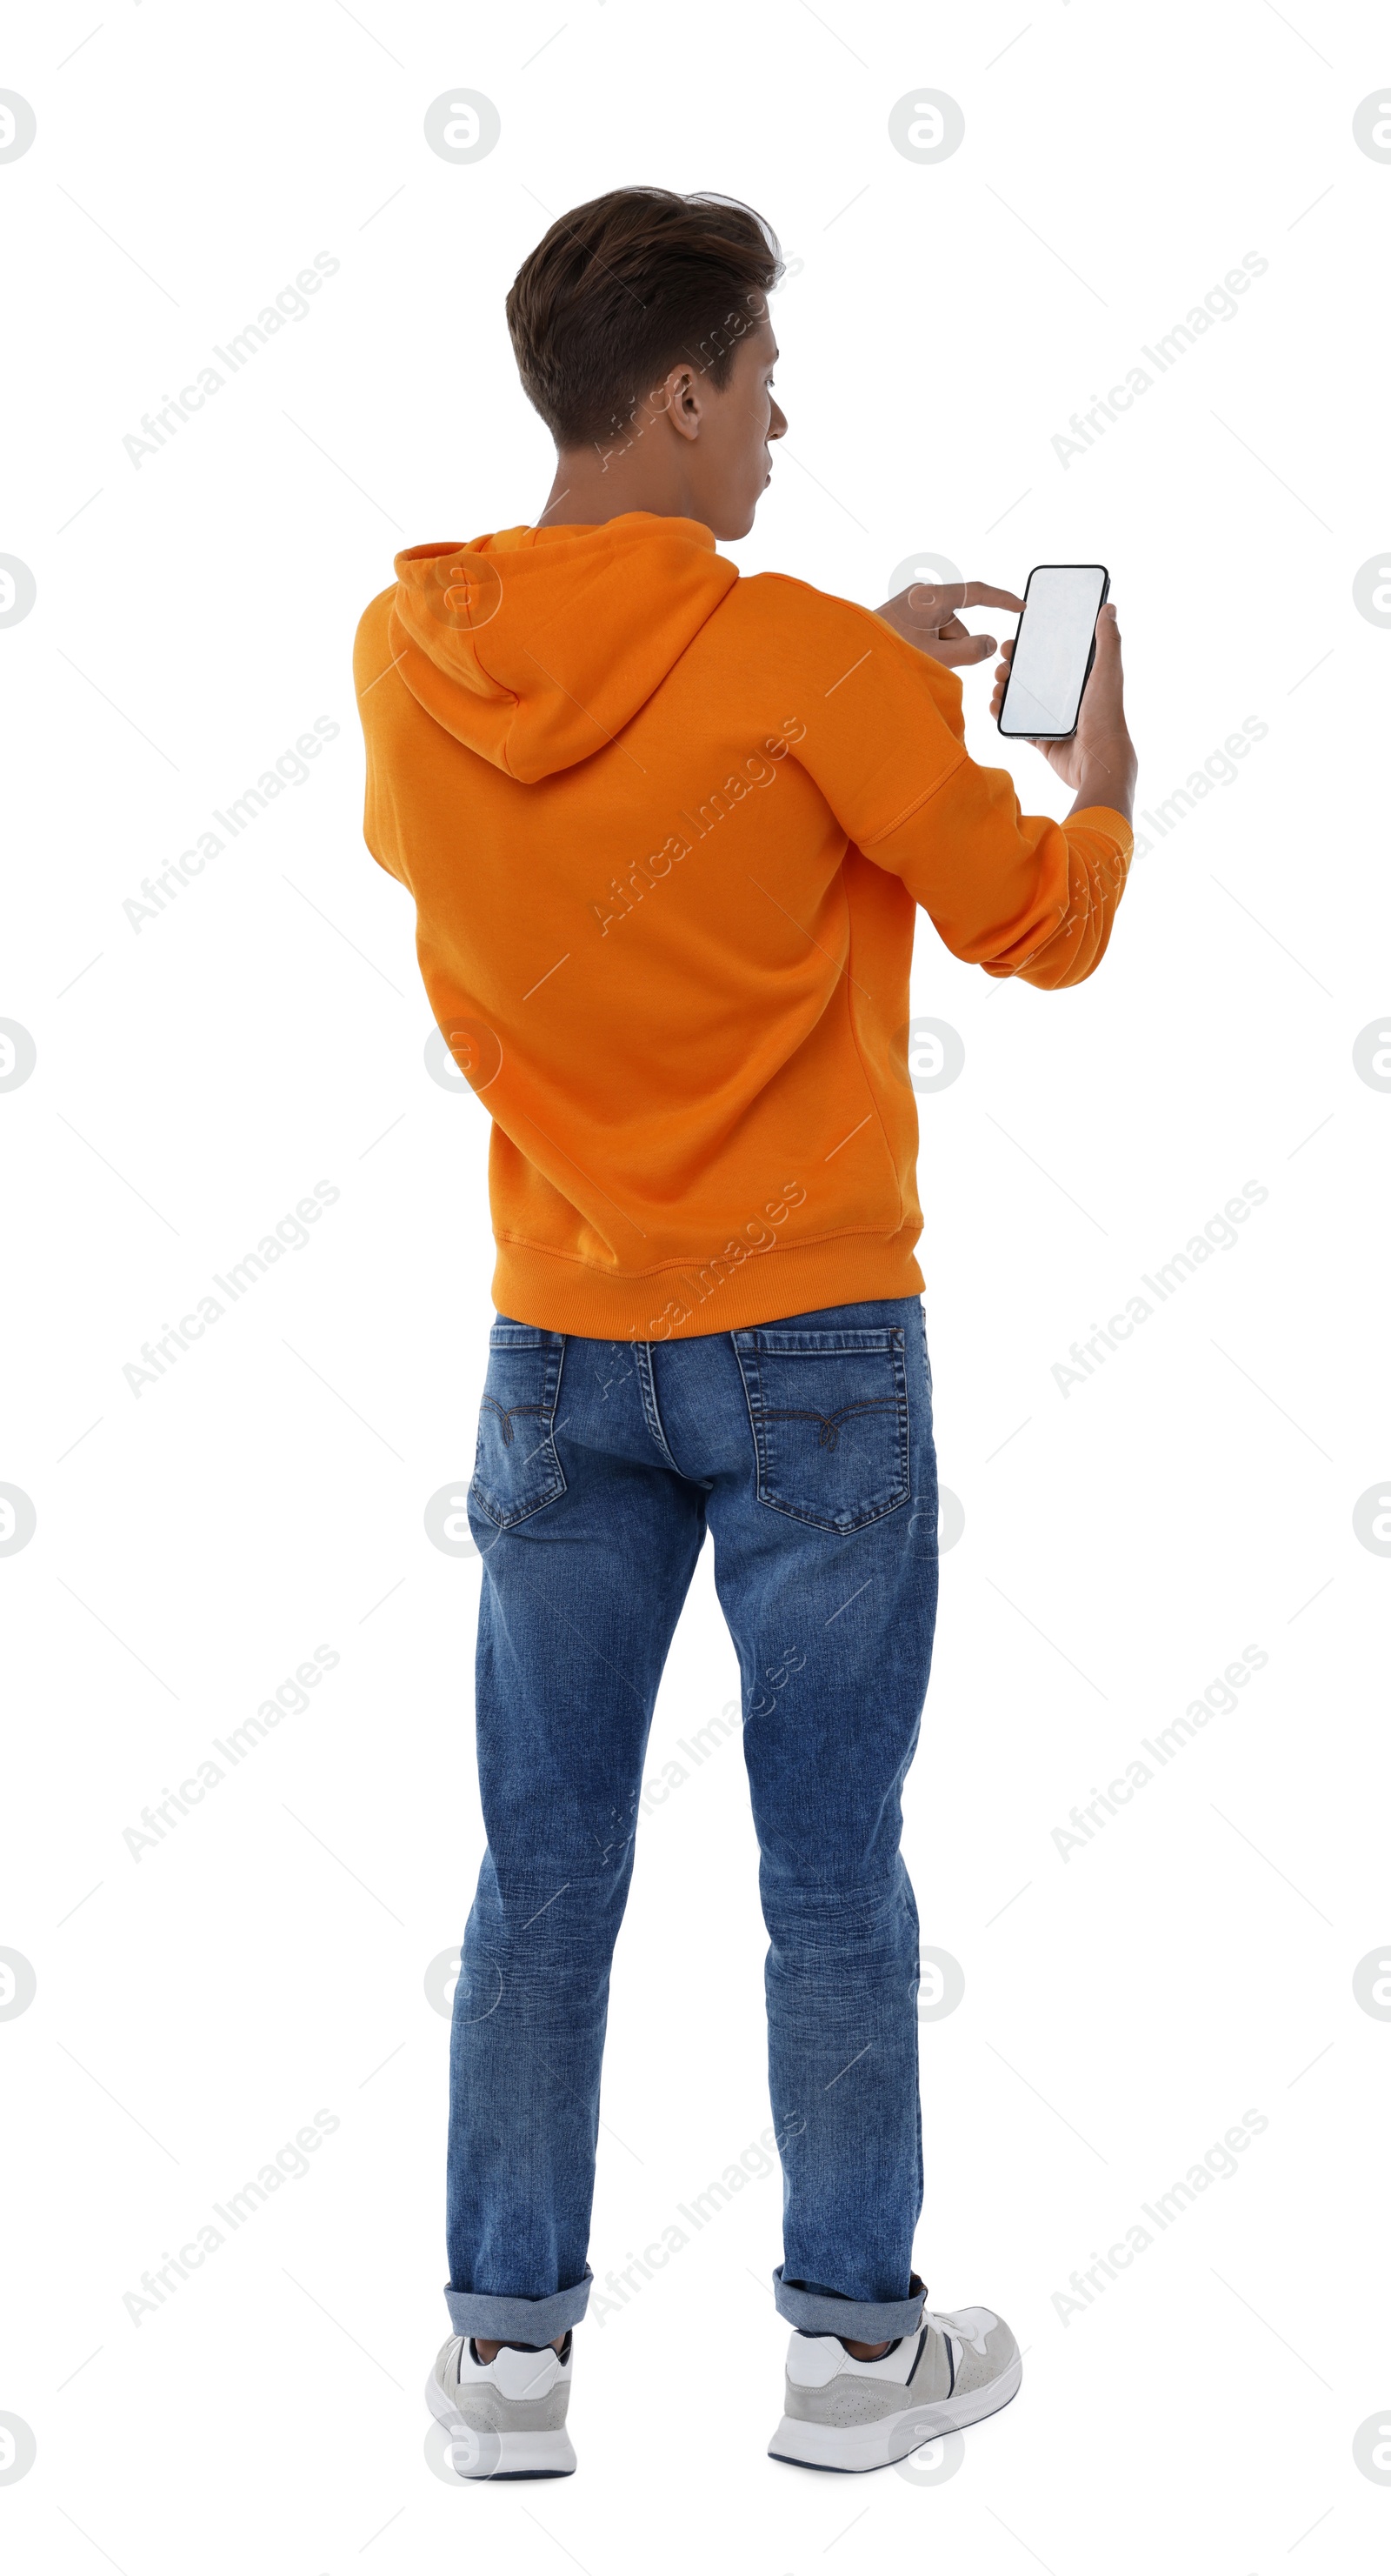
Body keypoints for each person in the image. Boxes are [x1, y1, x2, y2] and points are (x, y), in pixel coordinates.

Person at [353, 185, 1136, 2480]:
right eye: (767, 384)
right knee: (826, 1860)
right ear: (684, 387)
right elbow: (1030, 924)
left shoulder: (414, 658)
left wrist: (831, 684)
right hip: (813, 1350)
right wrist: (1082, 768)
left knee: (544, 1855)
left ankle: (506, 2364)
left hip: (556, 1344)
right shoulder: (803, 663)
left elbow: (563, 841)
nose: (782, 425)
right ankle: (854, 2356)